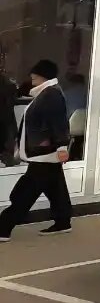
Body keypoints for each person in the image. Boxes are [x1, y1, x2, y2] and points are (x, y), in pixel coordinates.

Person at [0, 60, 73, 241]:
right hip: (46, 152)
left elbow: (59, 123)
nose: (31, 75)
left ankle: (4, 226)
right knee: (56, 188)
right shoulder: (46, 93)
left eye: (35, 73)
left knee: (25, 191)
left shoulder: (51, 95)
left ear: (44, 75)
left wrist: (62, 146)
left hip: (44, 153)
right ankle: (63, 221)